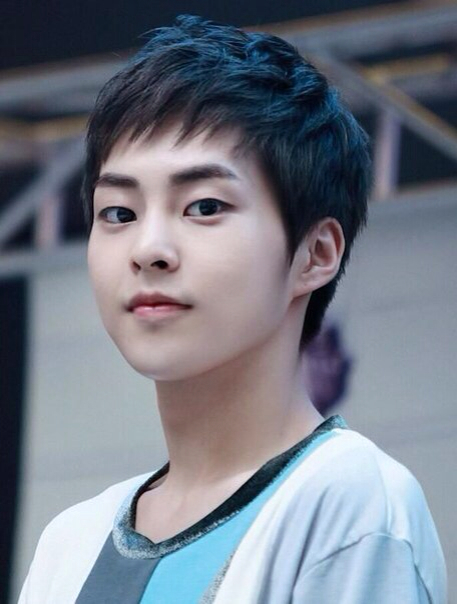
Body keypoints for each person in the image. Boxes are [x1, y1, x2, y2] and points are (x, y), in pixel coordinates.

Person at [19, 15, 446, 603]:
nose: (149, 249)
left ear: (316, 254)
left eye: (204, 206)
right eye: (119, 213)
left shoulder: (346, 501)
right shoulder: (70, 542)